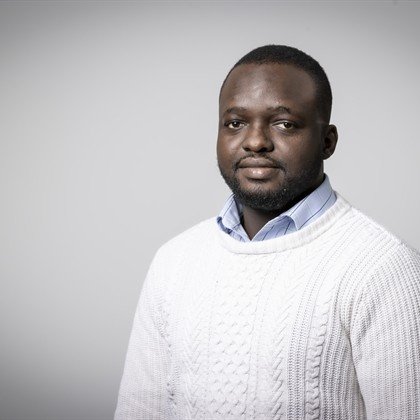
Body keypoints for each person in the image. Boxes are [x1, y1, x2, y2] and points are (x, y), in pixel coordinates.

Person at [115, 45, 420, 420]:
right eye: (235, 123)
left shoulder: (384, 269)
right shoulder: (174, 261)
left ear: (327, 142)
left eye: (284, 124)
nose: (255, 141)